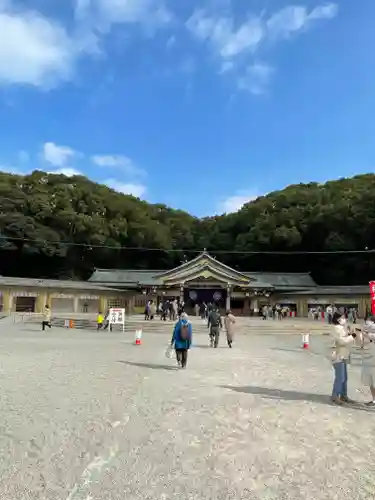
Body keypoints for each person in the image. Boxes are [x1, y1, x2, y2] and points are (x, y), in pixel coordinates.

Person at [330, 311, 356, 405]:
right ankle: (335, 396)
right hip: (337, 355)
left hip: (344, 355)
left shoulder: (342, 328)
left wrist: (350, 333)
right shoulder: (336, 328)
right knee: (340, 377)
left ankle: (343, 395)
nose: (345, 319)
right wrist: (352, 336)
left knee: (344, 378)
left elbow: (347, 340)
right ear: (338, 319)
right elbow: (341, 341)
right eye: (343, 317)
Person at [360, 316, 375, 406]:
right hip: (367, 358)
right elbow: (361, 344)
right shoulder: (364, 332)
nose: (366, 324)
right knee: (370, 381)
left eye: (368, 322)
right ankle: (374, 400)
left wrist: (368, 335)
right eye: (365, 322)